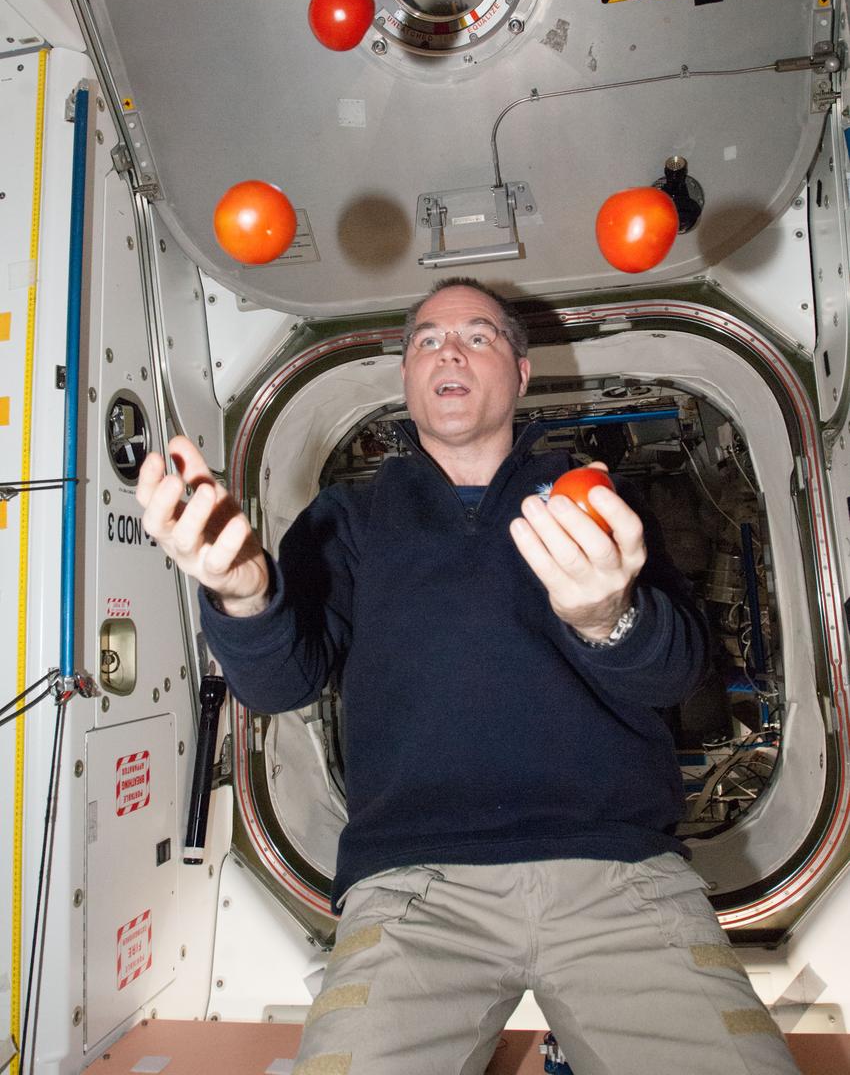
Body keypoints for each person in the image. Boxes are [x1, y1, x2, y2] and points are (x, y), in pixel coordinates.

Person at [137, 277, 801, 1075]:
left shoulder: (598, 502)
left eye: (477, 336)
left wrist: (608, 618)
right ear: (407, 377)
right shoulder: (348, 520)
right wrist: (242, 596)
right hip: (414, 889)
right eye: (427, 340)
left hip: (619, 876)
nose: (448, 351)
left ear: (520, 374)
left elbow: (677, 671)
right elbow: (282, 684)